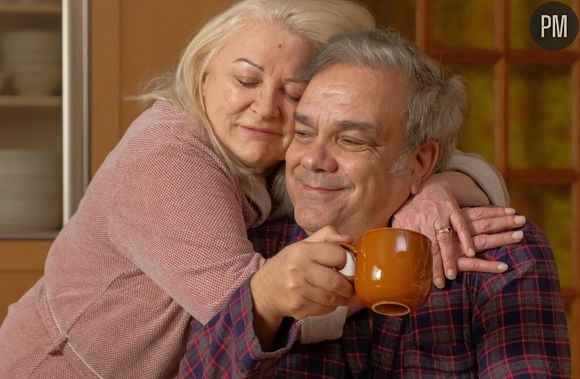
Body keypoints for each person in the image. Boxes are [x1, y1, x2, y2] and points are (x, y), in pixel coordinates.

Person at [0, 1, 513, 378]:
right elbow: (260, 309)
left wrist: (441, 186)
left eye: (293, 93)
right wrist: (403, 252)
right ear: (202, 77)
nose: (266, 108)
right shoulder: (168, 156)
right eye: (245, 81)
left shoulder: (272, 154)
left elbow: (416, 151)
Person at [180, 28, 571, 378]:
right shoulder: (248, 250)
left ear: (421, 162)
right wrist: (261, 305)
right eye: (303, 133)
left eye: (351, 141)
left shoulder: (497, 254)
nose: (313, 160)